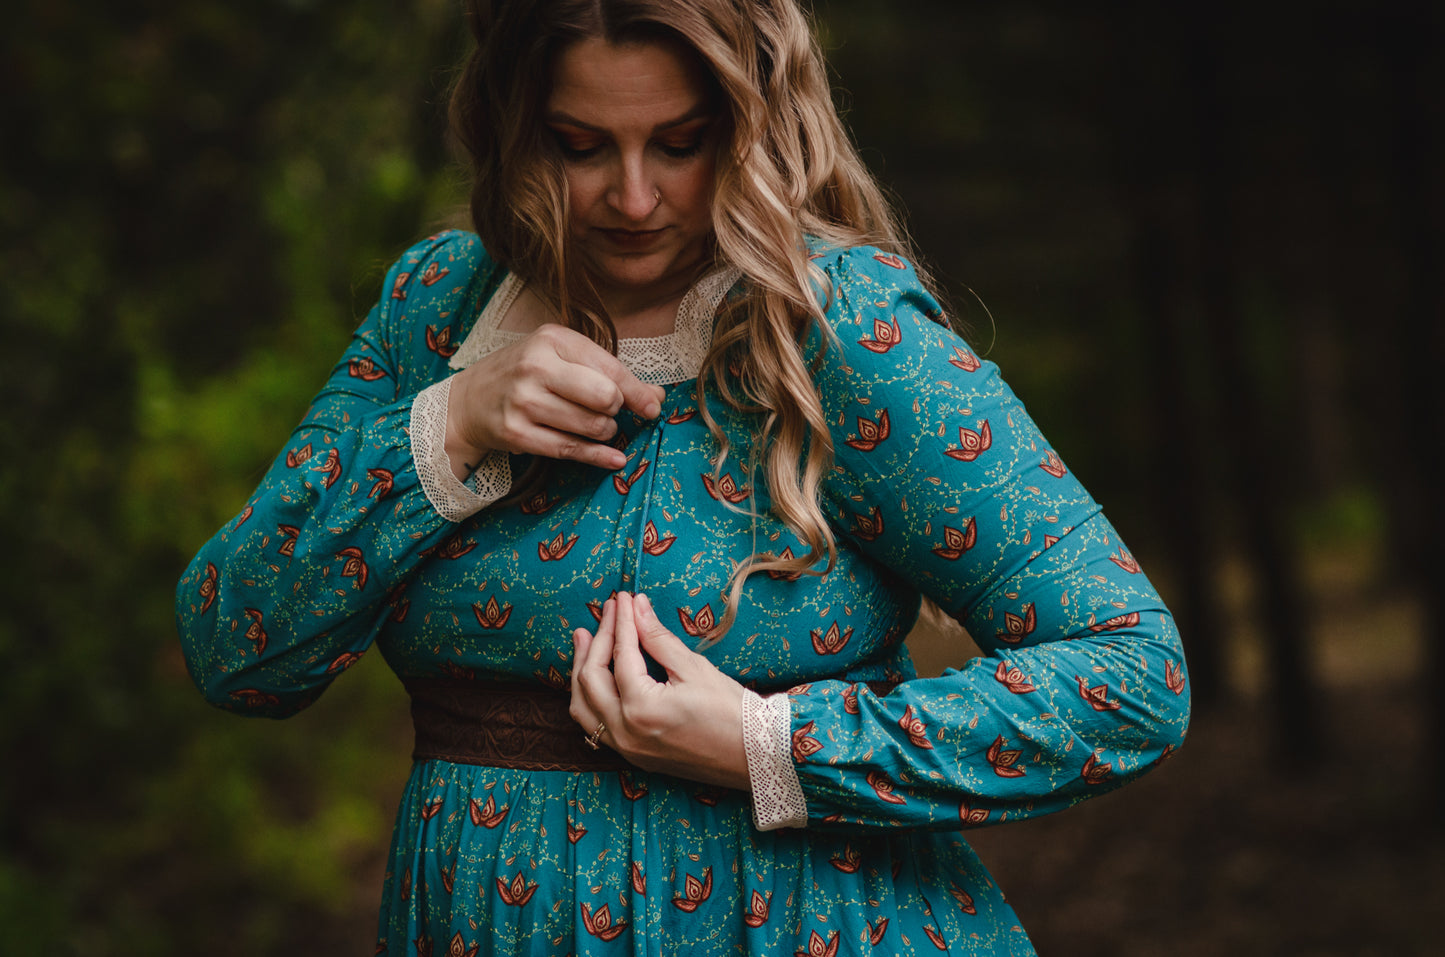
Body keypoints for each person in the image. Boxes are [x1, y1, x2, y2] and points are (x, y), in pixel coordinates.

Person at [176, 0, 1190, 953]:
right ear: (513, 124)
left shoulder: (833, 327)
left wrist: (769, 747)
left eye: (680, 142)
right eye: (579, 145)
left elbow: (1131, 676)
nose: (631, 197)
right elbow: (236, 647)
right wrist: (451, 426)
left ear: (749, 125)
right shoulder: (434, 309)